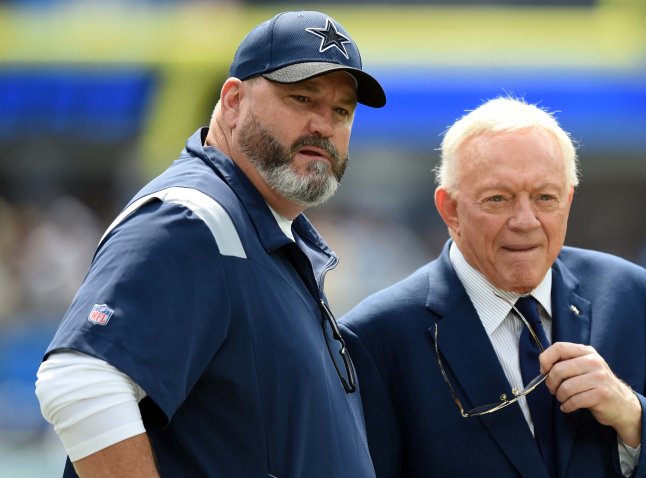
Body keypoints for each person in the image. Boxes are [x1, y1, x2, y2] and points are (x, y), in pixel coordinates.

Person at [35, 10, 385, 478]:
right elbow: (78, 383)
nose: (324, 124)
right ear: (234, 100)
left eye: (341, 110)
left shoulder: (262, 230)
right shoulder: (193, 216)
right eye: (301, 98)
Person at [340, 97, 646, 478]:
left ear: (569, 200)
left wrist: (630, 412)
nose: (525, 220)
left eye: (545, 197)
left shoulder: (629, 293)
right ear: (450, 210)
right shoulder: (375, 335)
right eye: (498, 199)